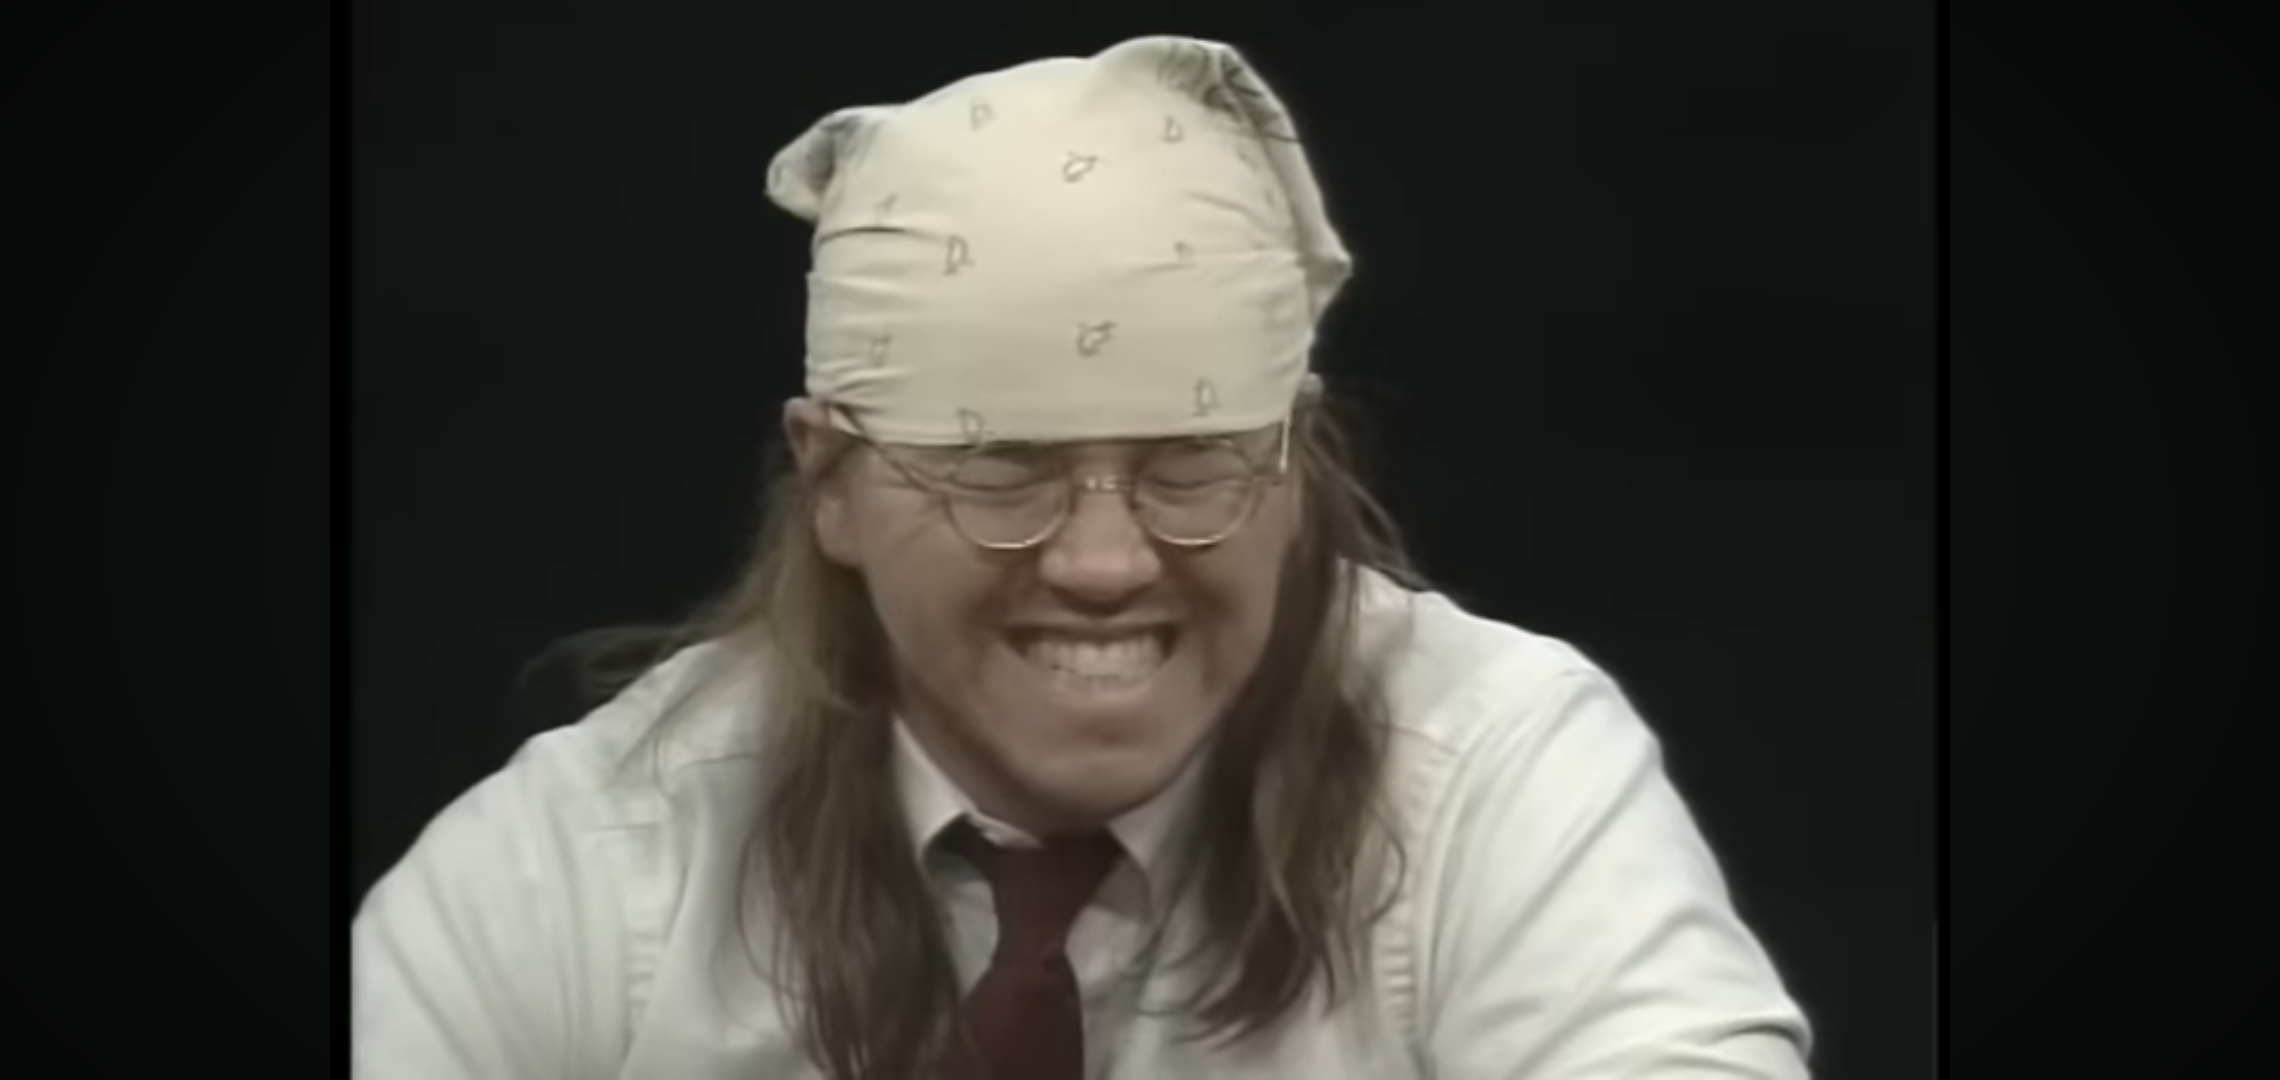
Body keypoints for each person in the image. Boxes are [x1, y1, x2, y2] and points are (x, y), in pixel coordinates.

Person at [351, 34, 1813, 1079]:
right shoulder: (597, 855)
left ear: (1294, 466)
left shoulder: (1492, 767)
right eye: (1000, 467)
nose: (1107, 563)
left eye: (1193, 462)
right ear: (833, 483)